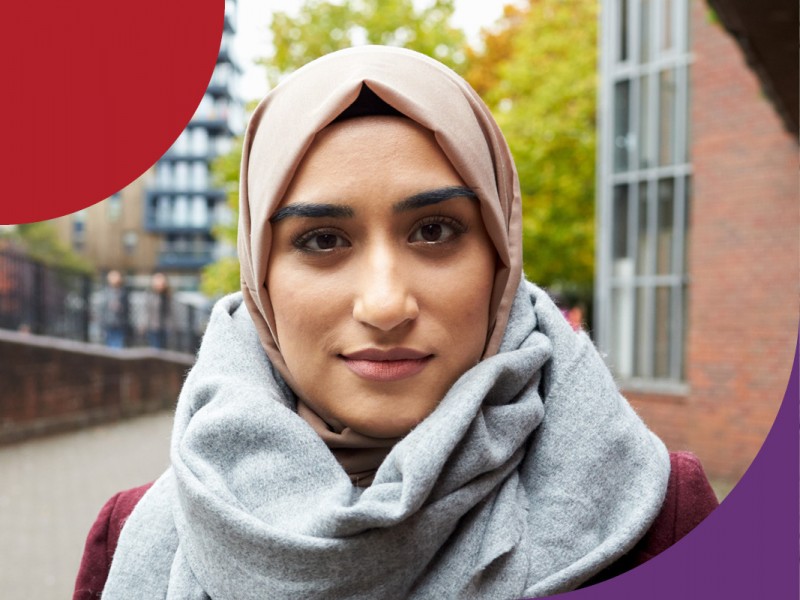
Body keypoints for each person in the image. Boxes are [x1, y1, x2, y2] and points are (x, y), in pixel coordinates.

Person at [74, 47, 717, 599]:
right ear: (260, 276)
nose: (384, 305)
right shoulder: (131, 535)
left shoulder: (658, 520)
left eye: (435, 231)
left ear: (499, 257)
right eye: (323, 239)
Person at [99, 269, 128, 349]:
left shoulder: (123, 292)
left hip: (119, 324)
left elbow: (127, 310)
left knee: (118, 346)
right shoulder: (106, 292)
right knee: (109, 346)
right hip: (109, 323)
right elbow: (102, 310)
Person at [143, 272, 171, 349]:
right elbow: (147, 311)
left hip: (164, 327)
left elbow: (169, 313)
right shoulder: (150, 294)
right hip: (153, 327)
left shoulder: (167, 296)